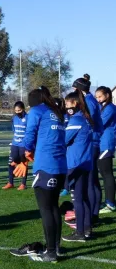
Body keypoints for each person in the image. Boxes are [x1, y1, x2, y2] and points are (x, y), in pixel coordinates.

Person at [10, 86, 66, 262]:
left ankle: (50, 253)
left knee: (46, 209)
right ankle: (56, 247)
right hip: (61, 166)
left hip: (46, 166)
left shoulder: (37, 111)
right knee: (54, 207)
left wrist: (24, 156)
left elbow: (29, 136)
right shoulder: (57, 112)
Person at [61, 91, 93, 242]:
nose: (65, 106)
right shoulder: (85, 119)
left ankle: (80, 232)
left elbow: (64, 140)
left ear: (74, 103)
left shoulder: (76, 120)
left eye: (67, 103)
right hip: (85, 162)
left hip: (76, 163)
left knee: (78, 199)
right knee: (84, 198)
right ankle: (87, 229)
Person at [72, 77, 104, 225]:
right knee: (93, 181)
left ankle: (90, 217)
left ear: (79, 89)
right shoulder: (91, 100)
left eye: (74, 88)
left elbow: (89, 123)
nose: (72, 90)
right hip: (94, 141)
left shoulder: (89, 102)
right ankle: (93, 214)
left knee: (90, 183)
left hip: (91, 143)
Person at [95, 86, 116, 213]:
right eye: (96, 97)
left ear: (107, 95)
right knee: (104, 173)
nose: (98, 99)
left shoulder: (110, 108)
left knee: (107, 174)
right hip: (102, 144)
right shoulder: (103, 107)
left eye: (100, 96)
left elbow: (100, 124)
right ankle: (108, 201)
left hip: (106, 144)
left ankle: (110, 203)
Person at [3, 101, 28, 190]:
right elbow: (14, 130)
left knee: (23, 163)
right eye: (16, 110)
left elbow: (30, 132)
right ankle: (10, 182)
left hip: (23, 144)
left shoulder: (28, 118)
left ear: (23, 109)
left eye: (19, 110)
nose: (17, 112)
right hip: (15, 143)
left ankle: (23, 184)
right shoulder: (14, 118)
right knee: (11, 162)